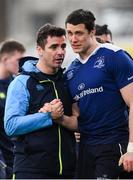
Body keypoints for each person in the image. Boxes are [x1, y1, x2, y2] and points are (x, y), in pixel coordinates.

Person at [46, 9, 133, 179]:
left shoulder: (115, 56)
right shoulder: (71, 71)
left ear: (92, 32)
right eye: (70, 33)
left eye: (79, 33)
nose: (73, 39)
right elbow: (77, 120)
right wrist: (57, 117)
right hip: (86, 150)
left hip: (115, 145)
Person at [4, 24, 76, 179]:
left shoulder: (67, 81)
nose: (60, 52)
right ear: (39, 50)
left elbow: (78, 120)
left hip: (67, 172)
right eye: (54, 47)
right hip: (31, 171)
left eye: (63, 46)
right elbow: (11, 125)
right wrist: (47, 116)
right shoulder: (22, 82)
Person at [0, 40, 25, 179]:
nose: (21, 65)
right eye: (18, 60)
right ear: (5, 59)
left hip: (16, 153)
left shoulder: (16, 84)